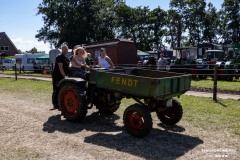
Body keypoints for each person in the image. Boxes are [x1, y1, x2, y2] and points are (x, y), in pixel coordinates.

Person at [52, 45, 70, 110]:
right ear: (62, 50)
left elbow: (69, 68)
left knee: (62, 89)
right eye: (64, 49)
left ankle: (60, 103)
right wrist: (65, 76)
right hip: (57, 75)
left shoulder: (67, 58)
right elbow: (60, 67)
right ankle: (55, 104)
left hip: (63, 75)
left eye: (66, 49)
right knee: (56, 89)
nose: (66, 50)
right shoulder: (59, 57)